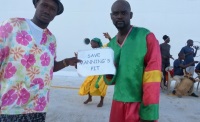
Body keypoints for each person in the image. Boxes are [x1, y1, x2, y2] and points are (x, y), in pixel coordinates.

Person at [0, 0, 80, 121]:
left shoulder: (51, 39)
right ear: (36, 4)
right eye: (44, 5)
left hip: (38, 106)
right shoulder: (13, 25)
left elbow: (47, 68)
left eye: (53, 9)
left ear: (56, 14)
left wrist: (67, 62)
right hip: (10, 105)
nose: (48, 10)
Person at [103, 0, 161, 122]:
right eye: (115, 13)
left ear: (131, 15)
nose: (119, 16)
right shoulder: (111, 44)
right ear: (111, 16)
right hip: (117, 101)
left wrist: (149, 112)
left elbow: (153, 76)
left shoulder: (145, 36)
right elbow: (109, 80)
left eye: (123, 13)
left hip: (138, 103)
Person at [79, 38, 108, 107]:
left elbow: (112, 44)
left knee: (101, 86)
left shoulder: (103, 48)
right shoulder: (91, 53)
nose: (91, 44)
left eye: (92, 43)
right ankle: (89, 98)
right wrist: (79, 57)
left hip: (102, 72)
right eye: (91, 43)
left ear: (97, 43)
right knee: (88, 83)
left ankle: (101, 101)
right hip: (93, 72)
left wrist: (109, 37)